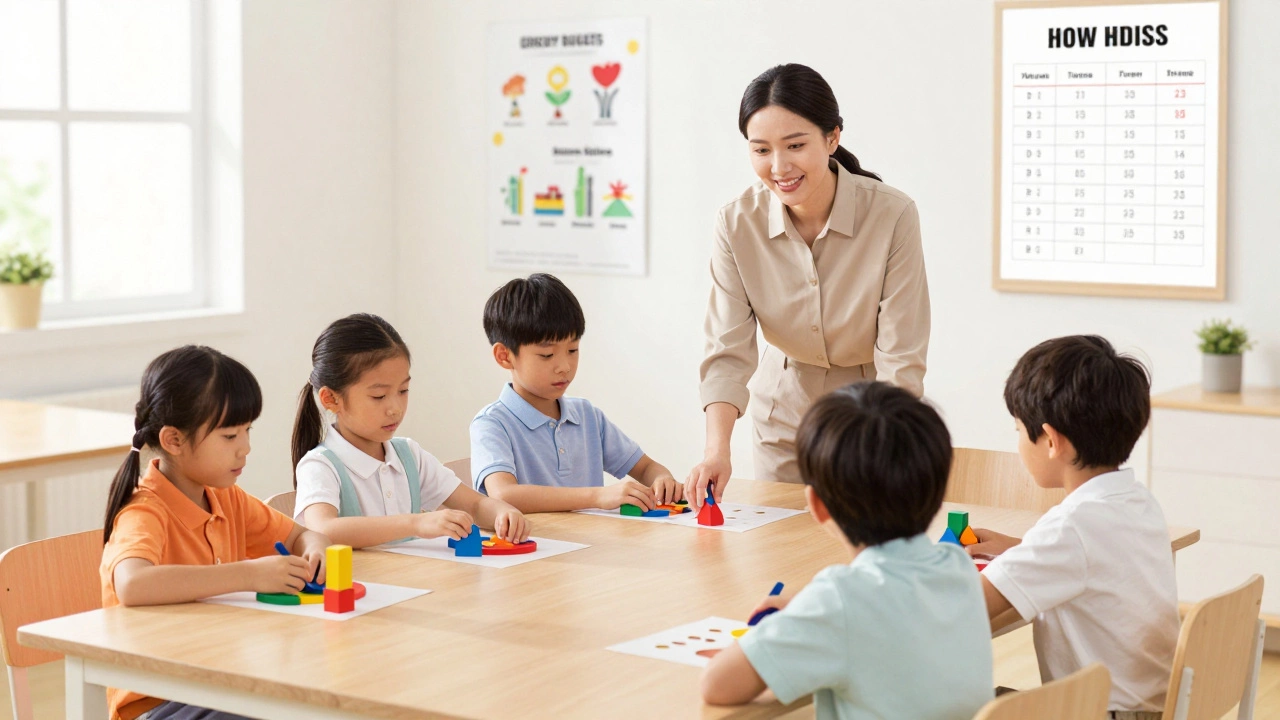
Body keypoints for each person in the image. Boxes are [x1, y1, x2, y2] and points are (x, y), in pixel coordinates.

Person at [701, 382, 992, 718]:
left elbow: (716, 684)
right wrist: (808, 610)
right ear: (938, 494)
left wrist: (796, 620)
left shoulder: (838, 600)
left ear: (818, 506)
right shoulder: (957, 566)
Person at [101, 345, 331, 720]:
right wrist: (249, 575)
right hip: (158, 701)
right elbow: (132, 584)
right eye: (229, 437)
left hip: (219, 682)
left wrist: (313, 551)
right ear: (174, 440)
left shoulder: (227, 499)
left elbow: (301, 536)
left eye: (247, 431)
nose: (246, 448)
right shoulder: (144, 510)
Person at [970, 335, 1178, 717]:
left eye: (1017, 430)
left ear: (1050, 441)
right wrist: (1021, 548)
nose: (1017, 442)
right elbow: (1096, 559)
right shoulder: (1135, 500)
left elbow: (966, 608)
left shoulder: (1069, 529)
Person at [293, 313, 528, 547]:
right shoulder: (320, 465)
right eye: (379, 396)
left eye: (403, 391)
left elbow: (475, 505)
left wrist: (503, 513)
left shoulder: (408, 456)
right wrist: (416, 524)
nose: (395, 408)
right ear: (331, 399)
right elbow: (323, 529)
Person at [470, 273, 681, 512]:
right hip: (539, 546)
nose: (565, 366)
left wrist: (662, 479)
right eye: (547, 355)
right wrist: (597, 497)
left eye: (573, 349)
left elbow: (644, 468)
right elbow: (504, 495)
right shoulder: (492, 424)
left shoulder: (587, 416)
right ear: (505, 356)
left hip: (592, 545)